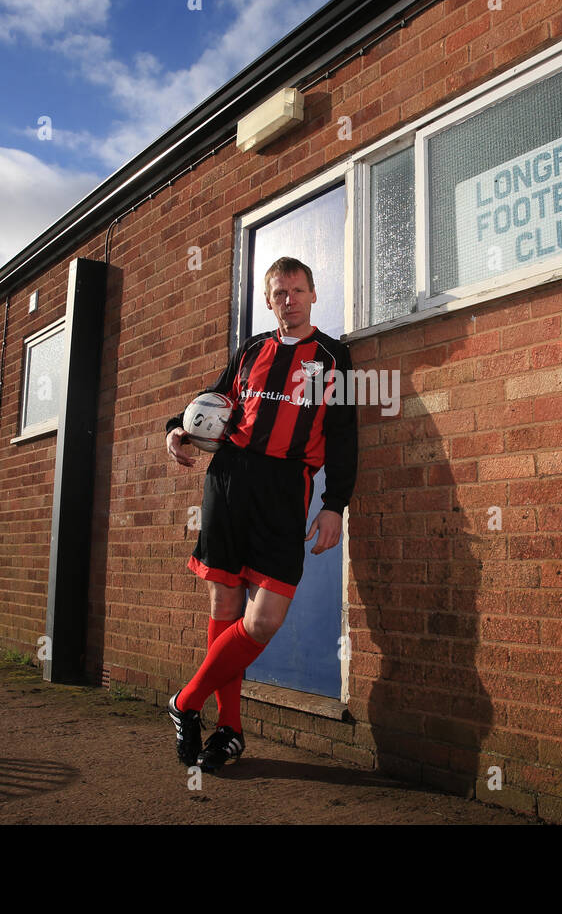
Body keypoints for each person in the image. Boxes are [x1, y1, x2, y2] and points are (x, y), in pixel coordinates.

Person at [163, 256, 358, 771]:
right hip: (229, 481)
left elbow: (342, 437)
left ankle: (185, 702)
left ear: (314, 294)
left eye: (296, 290)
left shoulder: (335, 359)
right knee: (224, 601)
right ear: (269, 300)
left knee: (264, 618)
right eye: (278, 293)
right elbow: (215, 398)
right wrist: (176, 427)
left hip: (284, 489)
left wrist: (335, 503)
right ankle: (229, 731)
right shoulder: (251, 349)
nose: (288, 299)